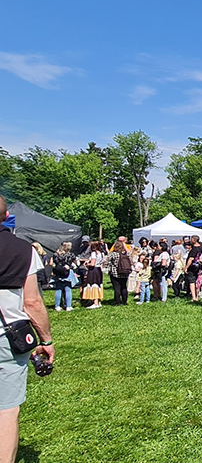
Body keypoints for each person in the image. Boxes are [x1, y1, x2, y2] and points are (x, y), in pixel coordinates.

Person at [0, 195, 54, 463]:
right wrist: (46, 339)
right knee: (7, 409)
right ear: (6, 216)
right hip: (6, 336)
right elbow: (32, 302)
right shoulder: (22, 250)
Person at [50, 241, 76, 312]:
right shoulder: (71, 255)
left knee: (58, 289)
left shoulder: (56, 254)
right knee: (68, 290)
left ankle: (57, 306)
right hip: (68, 273)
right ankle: (68, 306)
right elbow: (74, 263)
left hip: (58, 273)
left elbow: (54, 263)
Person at [104, 239, 131, 305]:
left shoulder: (112, 254)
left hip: (115, 273)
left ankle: (117, 302)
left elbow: (107, 263)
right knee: (124, 287)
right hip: (125, 273)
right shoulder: (126, 254)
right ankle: (124, 301)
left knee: (117, 288)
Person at [81, 241, 104, 309]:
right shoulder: (101, 253)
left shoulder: (94, 253)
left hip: (93, 270)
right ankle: (99, 302)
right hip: (99, 270)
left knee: (93, 285)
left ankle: (95, 302)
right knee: (98, 285)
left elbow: (92, 264)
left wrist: (87, 264)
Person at [184, 236, 202, 302]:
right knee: (198, 282)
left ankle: (194, 297)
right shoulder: (201, 247)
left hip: (192, 267)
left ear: (194, 240)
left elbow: (191, 259)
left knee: (192, 282)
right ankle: (196, 296)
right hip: (200, 267)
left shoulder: (194, 249)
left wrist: (186, 267)